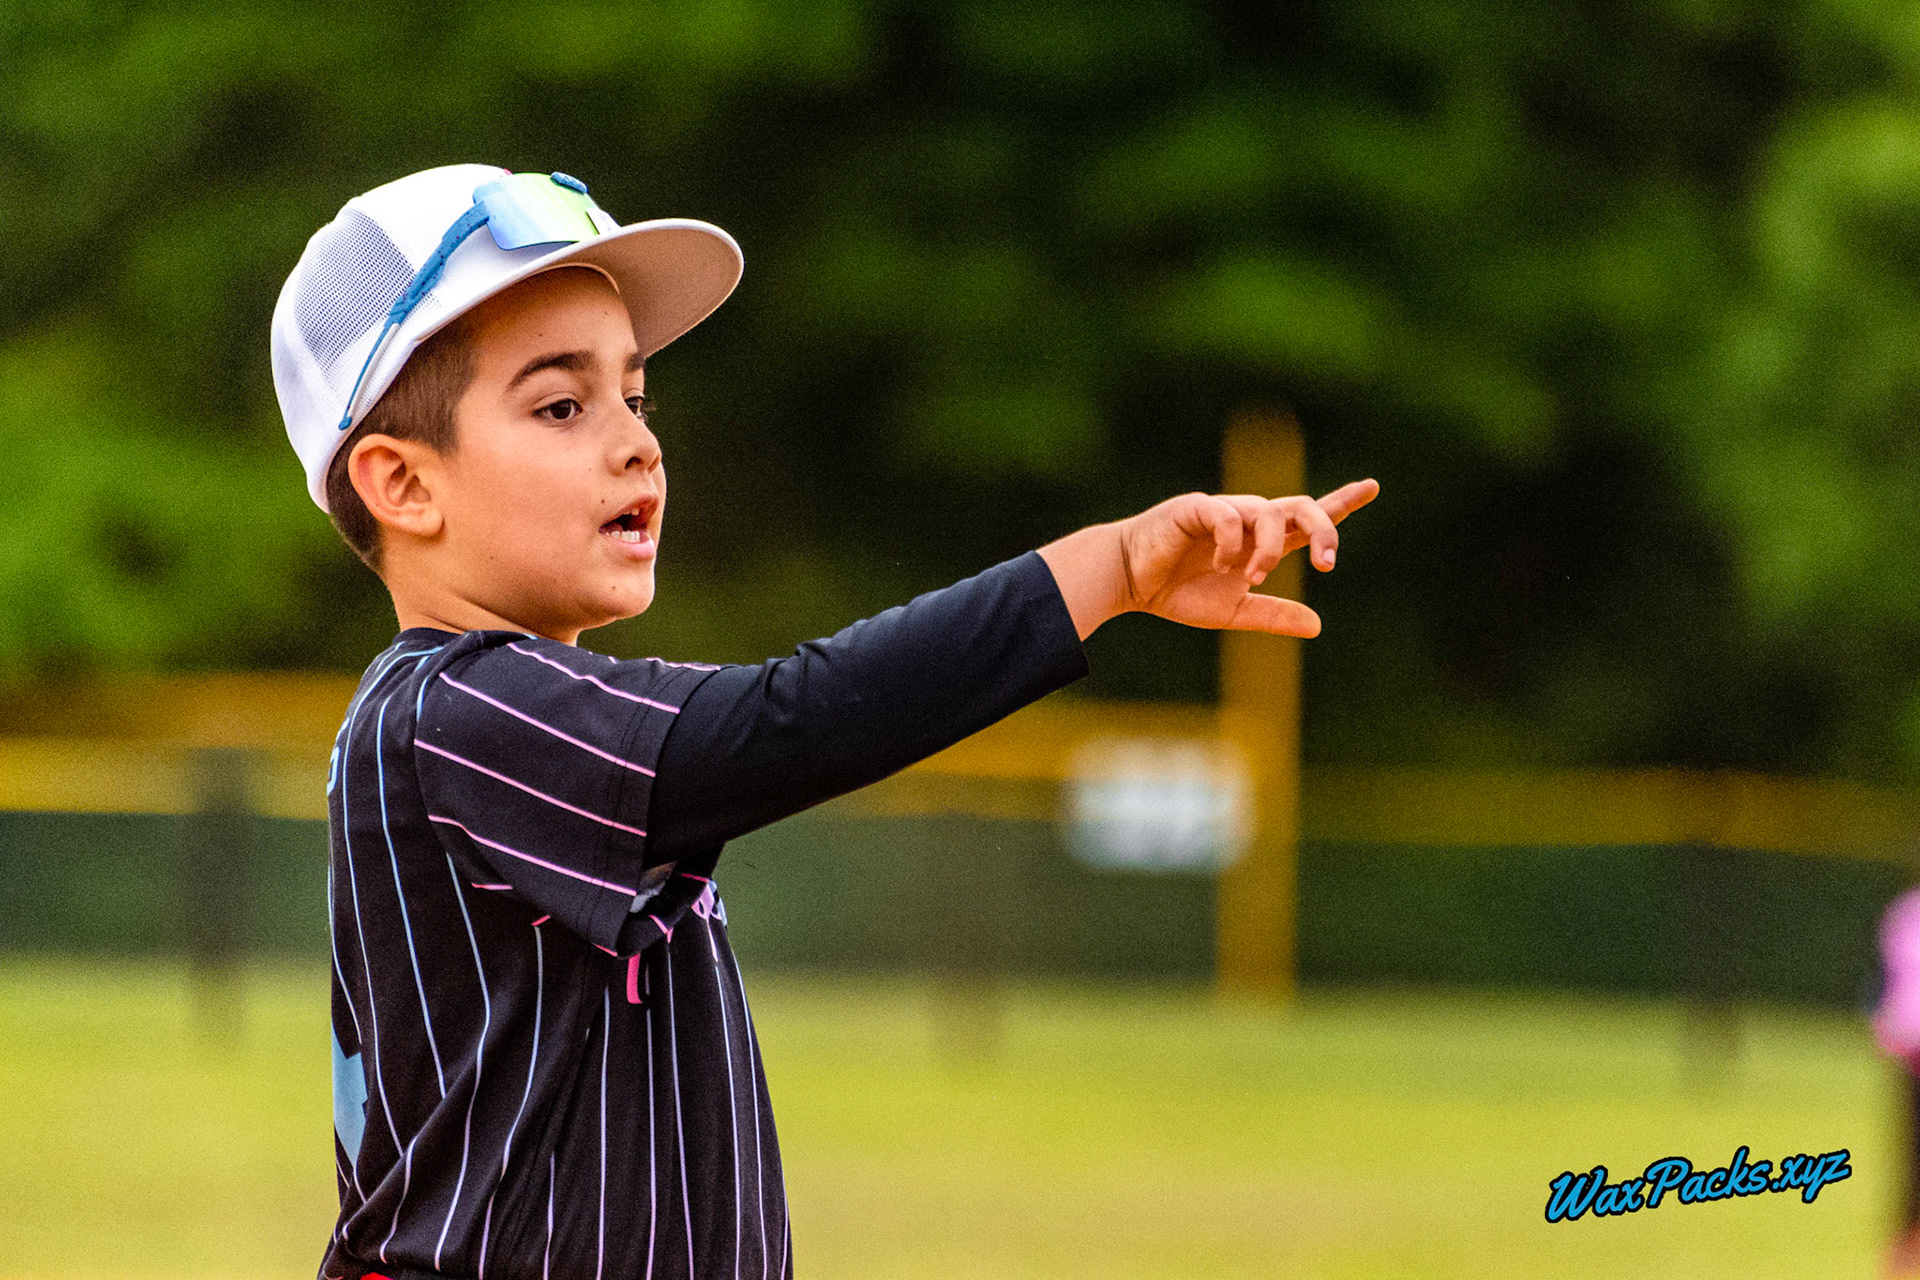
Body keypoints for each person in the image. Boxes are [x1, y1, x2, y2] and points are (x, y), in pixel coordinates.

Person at [271, 164, 1379, 1280]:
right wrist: (1111, 565)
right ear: (402, 485)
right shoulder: (447, 712)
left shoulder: (521, 711)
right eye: (562, 405)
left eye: (636, 397)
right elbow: (789, 721)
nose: (637, 442)